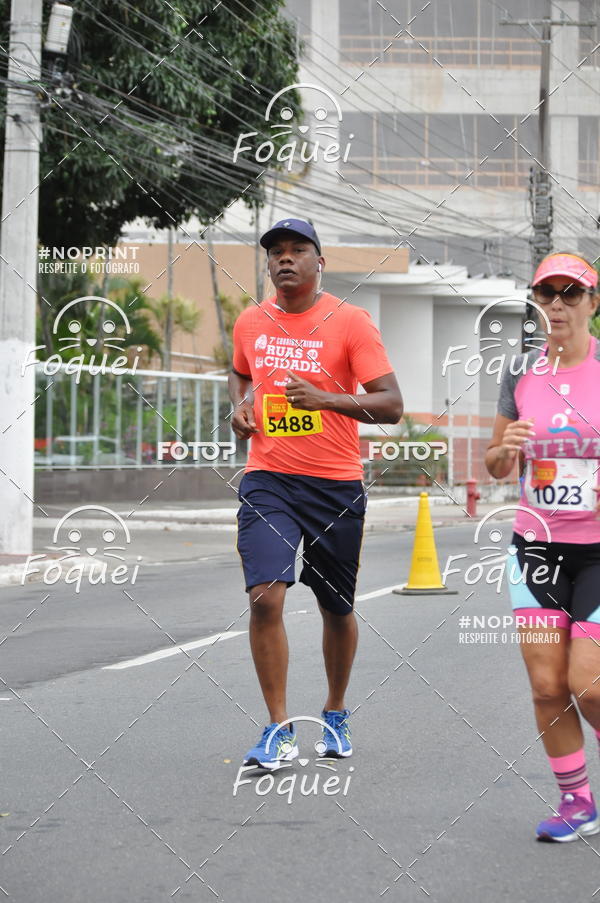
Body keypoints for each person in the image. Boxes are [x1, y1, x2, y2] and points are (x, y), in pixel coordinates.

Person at [228, 218, 403, 770]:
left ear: (319, 262)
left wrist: (326, 400)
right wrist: (237, 407)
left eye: (297, 250)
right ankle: (278, 728)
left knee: (336, 607)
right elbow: (238, 372)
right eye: (276, 252)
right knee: (266, 596)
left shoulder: (351, 323)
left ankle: (334, 711)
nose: (285, 259)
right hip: (268, 479)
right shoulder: (250, 322)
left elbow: (392, 405)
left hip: (335, 486)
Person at [485, 251, 600, 841]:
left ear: (592, 303)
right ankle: (577, 801)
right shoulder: (521, 373)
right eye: (547, 293)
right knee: (547, 684)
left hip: (599, 550)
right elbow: (495, 462)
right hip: (535, 547)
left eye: (570, 293)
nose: (557, 303)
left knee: (589, 681)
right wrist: (511, 449)